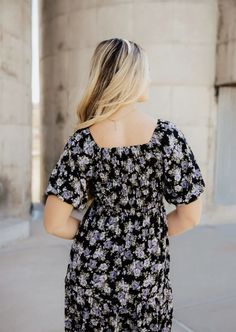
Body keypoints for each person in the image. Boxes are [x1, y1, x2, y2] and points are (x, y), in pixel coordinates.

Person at [43, 38, 206, 332]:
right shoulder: (167, 138)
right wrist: (145, 232)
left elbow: (54, 224)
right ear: (130, 78)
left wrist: (98, 233)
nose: (150, 79)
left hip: (91, 279)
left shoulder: (82, 141)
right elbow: (190, 216)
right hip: (146, 280)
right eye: (146, 72)